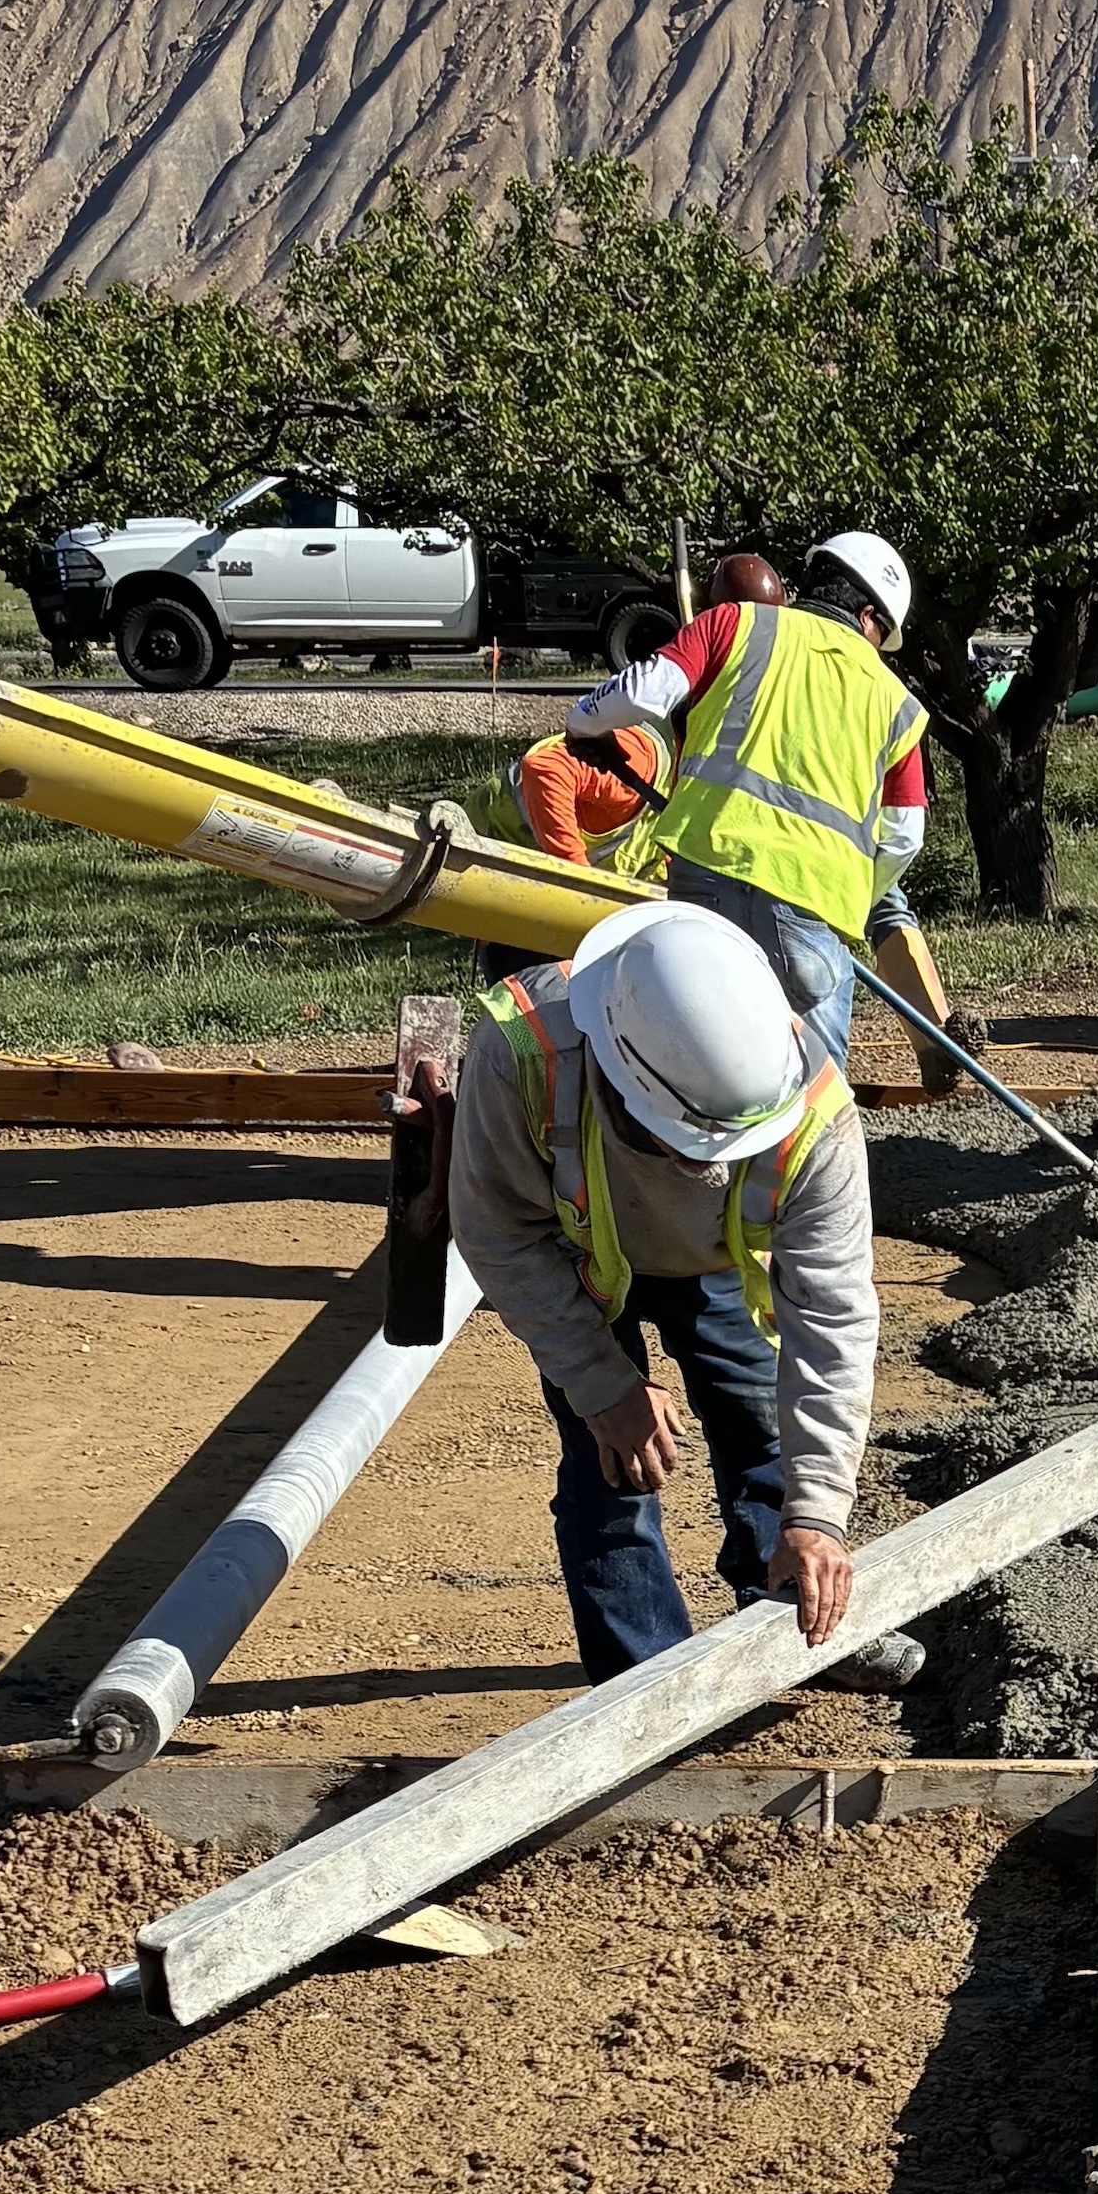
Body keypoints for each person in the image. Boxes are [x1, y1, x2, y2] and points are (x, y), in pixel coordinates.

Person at [449, 901, 918, 1688]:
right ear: (616, 1068)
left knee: (761, 1425)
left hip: (714, 1263)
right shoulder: (524, 1051)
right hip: (577, 1259)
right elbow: (497, 1232)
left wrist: (819, 1514)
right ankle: (644, 1689)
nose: (700, 1164)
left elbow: (832, 1315)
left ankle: (794, 1610)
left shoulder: (812, 1110)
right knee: (613, 1471)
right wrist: (605, 1387)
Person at [566, 531, 928, 1055]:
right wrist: (858, 896)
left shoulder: (735, 623)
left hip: (704, 881)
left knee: (695, 1062)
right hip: (811, 910)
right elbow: (903, 838)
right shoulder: (898, 704)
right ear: (869, 615)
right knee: (814, 1094)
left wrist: (584, 724)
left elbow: (642, 692)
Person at [510, 714, 667, 869]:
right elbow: (545, 769)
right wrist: (576, 873)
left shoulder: (673, 806)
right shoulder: (637, 766)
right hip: (500, 839)